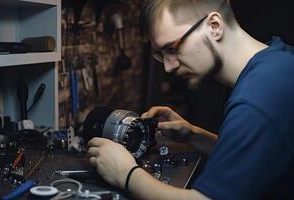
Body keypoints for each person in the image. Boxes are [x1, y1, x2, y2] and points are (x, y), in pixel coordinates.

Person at [87, 0, 294, 199]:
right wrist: (193, 134)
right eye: (161, 55)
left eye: (172, 49)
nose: (168, 67)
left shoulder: (256, 98)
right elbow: (253, 158)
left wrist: (127, 174)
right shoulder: (277, 62)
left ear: (214, 26)